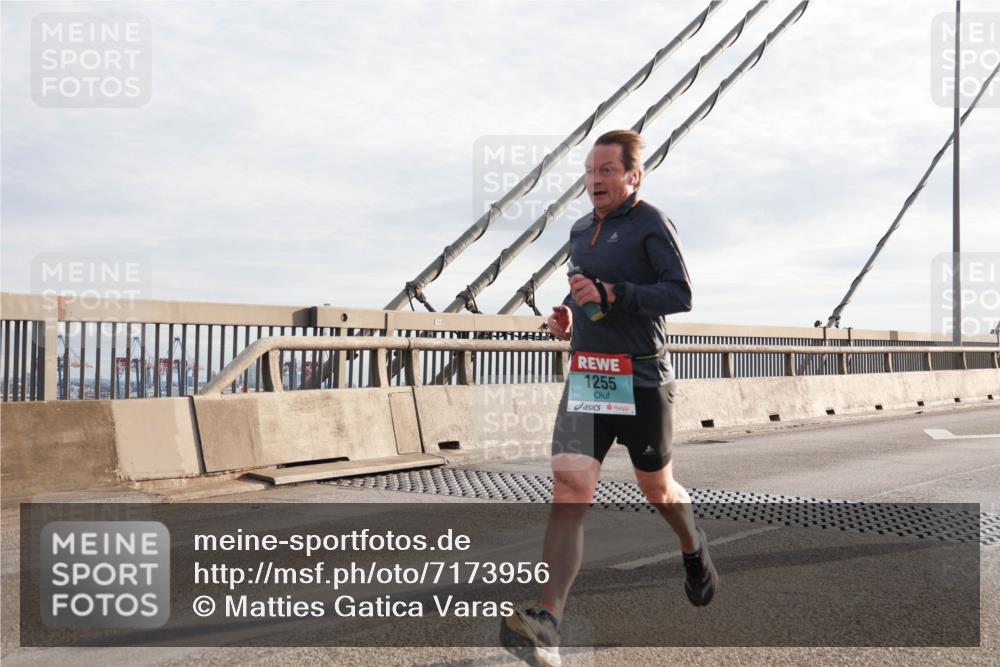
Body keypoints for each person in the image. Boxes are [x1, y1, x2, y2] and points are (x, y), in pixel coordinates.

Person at [500, 129, 718, 667]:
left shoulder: (652, 223)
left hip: (641, 377)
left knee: (657, 489)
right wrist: (570, 315)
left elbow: (680, 293)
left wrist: (614, 294)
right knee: (569, 488)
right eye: (590, 171)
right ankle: (549, 623)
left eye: (606, 171)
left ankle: (692, 546)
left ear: (632, 177)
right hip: (591, 376)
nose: (594, 180)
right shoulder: (580, 230)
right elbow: (587, 287)